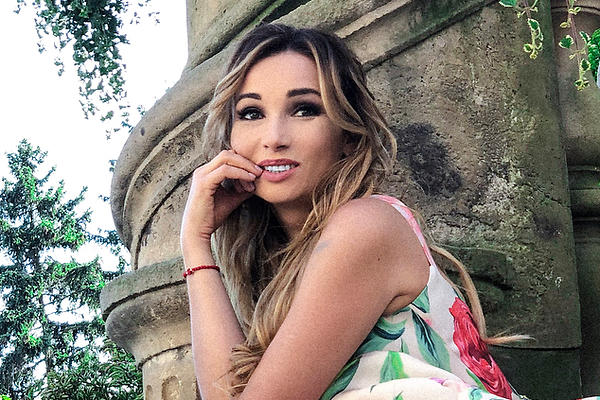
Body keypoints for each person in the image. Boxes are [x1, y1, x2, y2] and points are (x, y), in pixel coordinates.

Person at [180, 23, 597, 400]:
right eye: (251, 113)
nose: (274, 137)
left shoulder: (365, 226)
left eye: (305, 109)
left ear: (347, 133)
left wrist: (195, 246)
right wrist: (196, 243)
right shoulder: (289, 266)